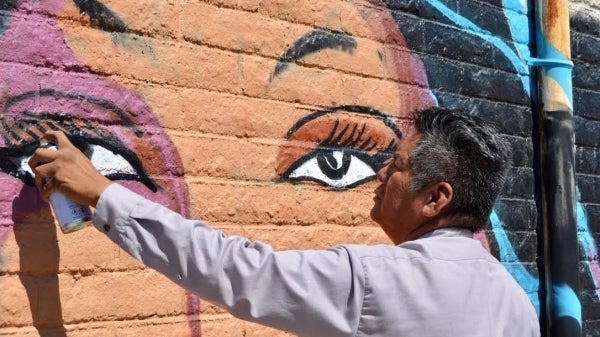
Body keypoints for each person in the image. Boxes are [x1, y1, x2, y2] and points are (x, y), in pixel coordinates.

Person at [29, 106, 540, 337]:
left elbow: (239, 272)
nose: (383, 173)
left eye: (398, 166)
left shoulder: (379, 282)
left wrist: (104, 192)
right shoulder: (517, 306)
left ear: (436, 199)